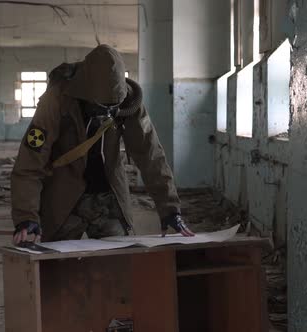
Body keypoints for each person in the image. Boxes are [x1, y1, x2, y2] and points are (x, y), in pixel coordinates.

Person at [11, 44, 194, 244]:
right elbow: (30, 162)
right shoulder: (56, 100)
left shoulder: (129, 100)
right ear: (86, 92)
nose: (107, 113)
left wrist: (170, 209)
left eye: (112, 107)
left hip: (109, 195)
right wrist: (26, 216)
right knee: (56, 264)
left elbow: (150, 154)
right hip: (64, 195)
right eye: (101, 106)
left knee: (116, 265)